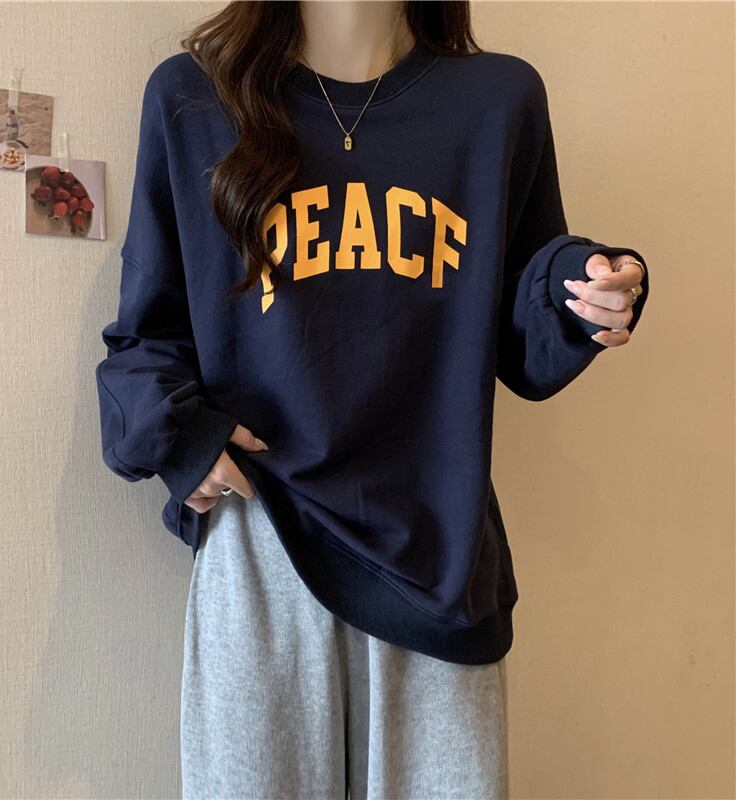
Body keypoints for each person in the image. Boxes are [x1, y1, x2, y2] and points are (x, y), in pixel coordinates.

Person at [94, 2, 650, 798]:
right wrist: (181, 439)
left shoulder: (498, 101)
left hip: (437, 549)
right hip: (264, 535)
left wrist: (585, 290)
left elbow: (524, 321)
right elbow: (147, 329)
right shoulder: (195, 97)